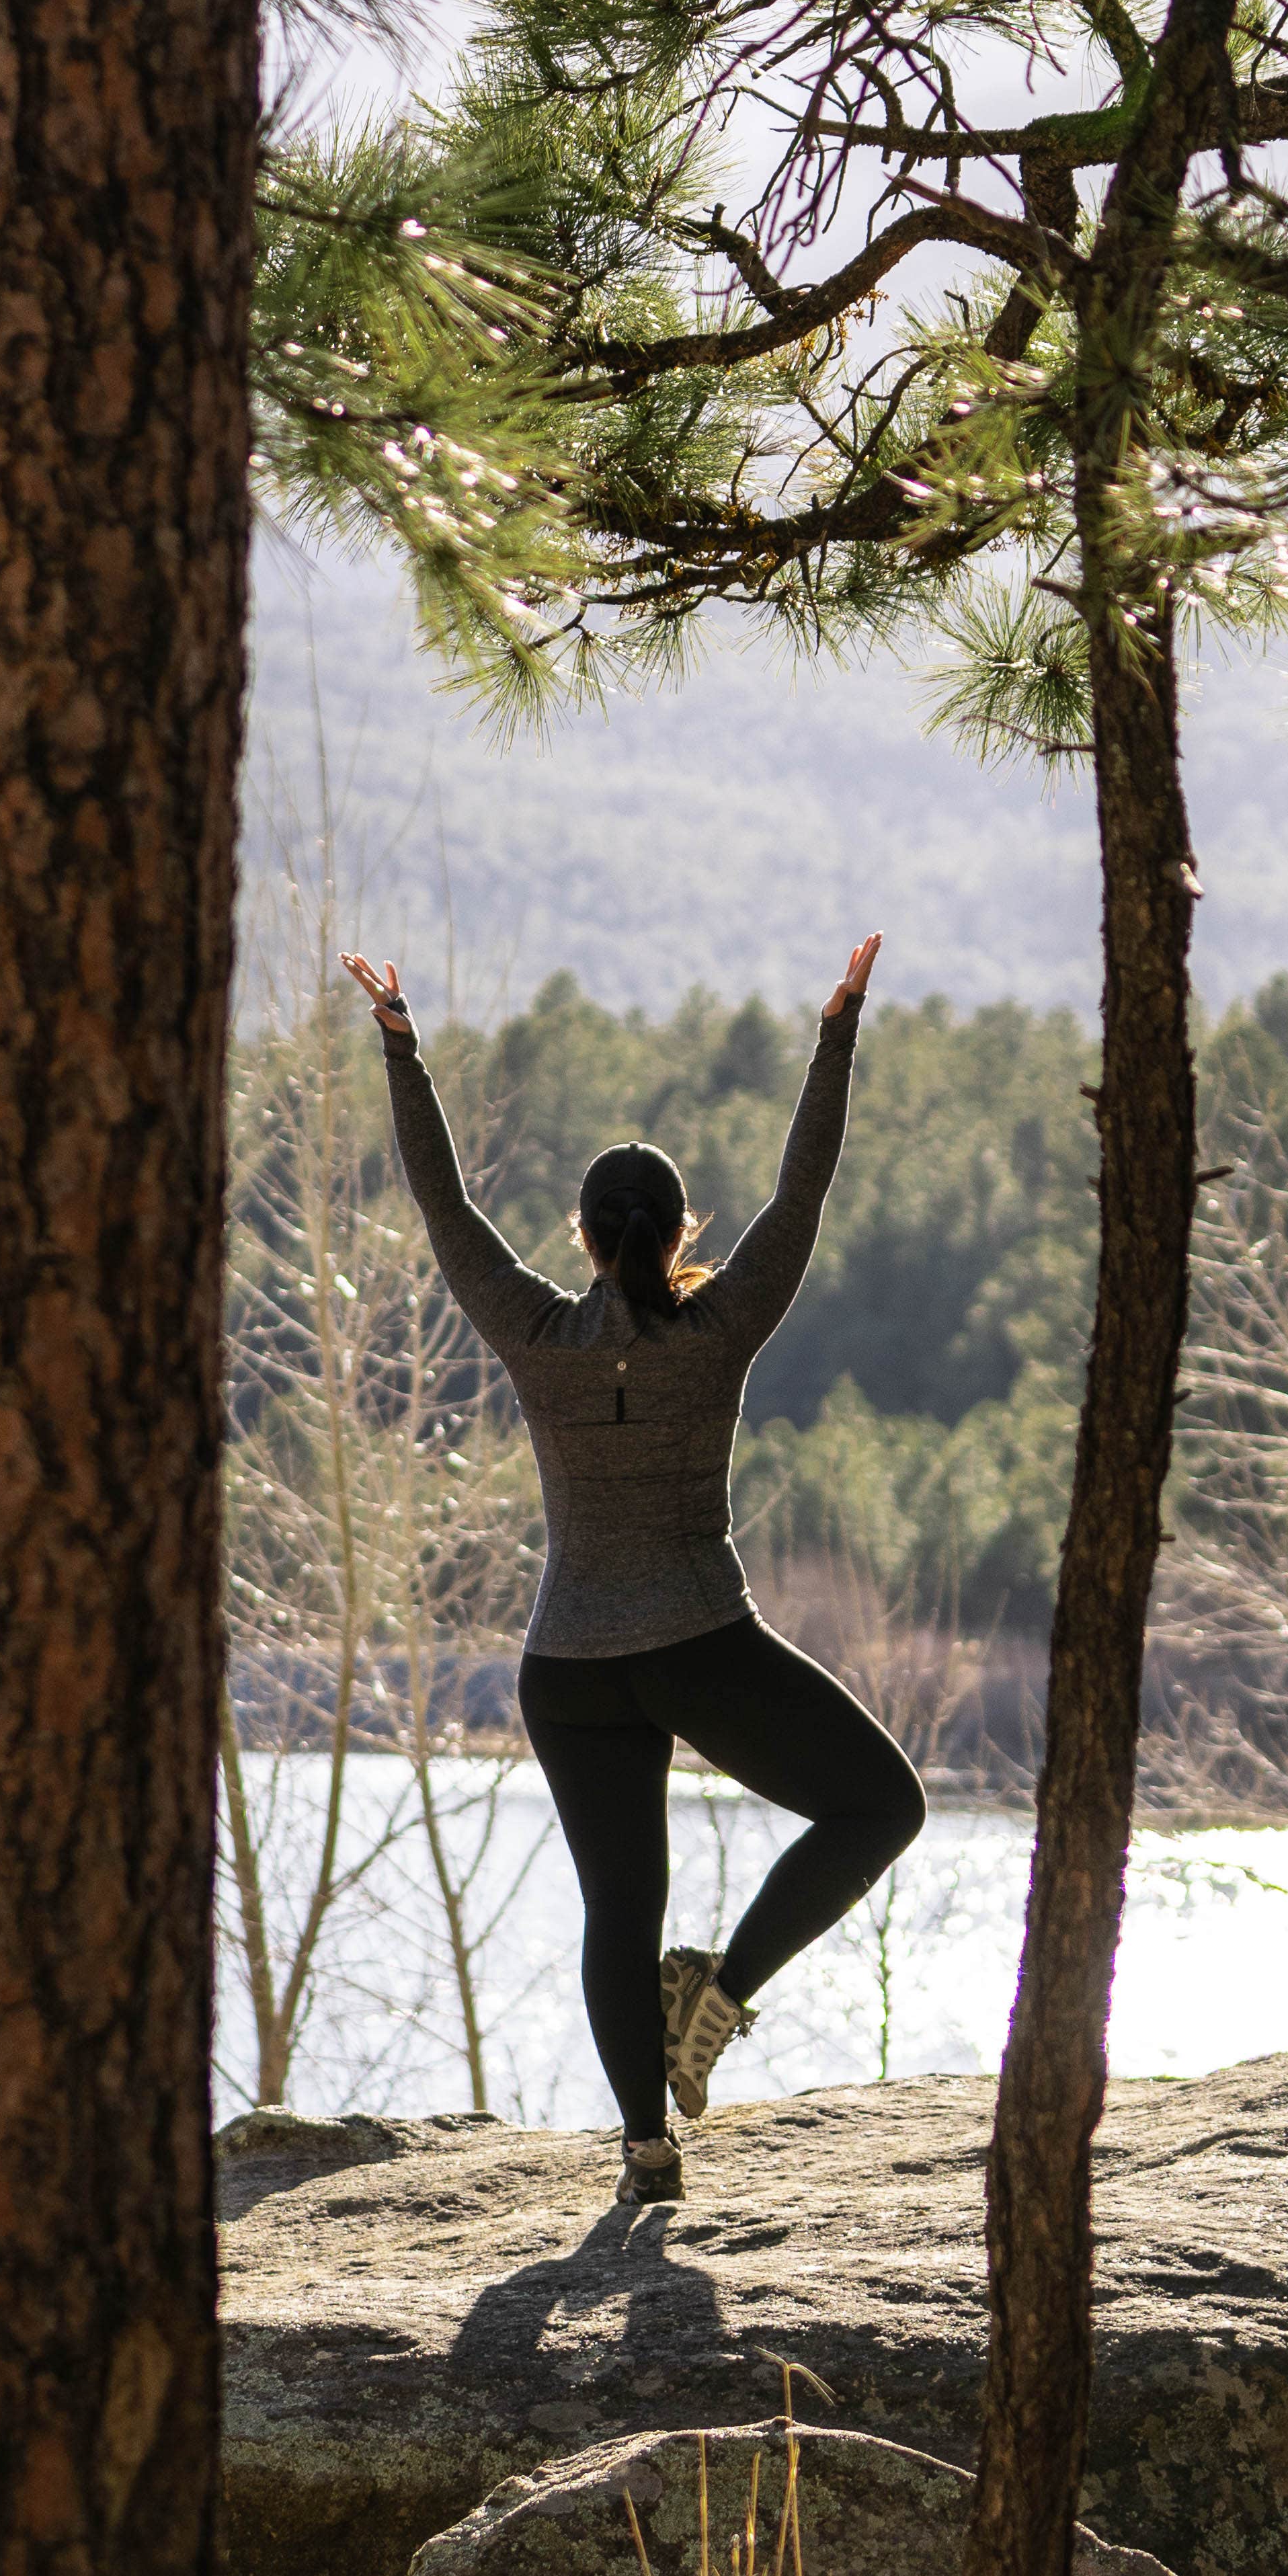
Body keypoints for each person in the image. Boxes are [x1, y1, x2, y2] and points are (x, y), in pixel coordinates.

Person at [346, 934, 926, 2208]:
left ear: (586, 1237)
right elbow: (803, 1194)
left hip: (566, 1670)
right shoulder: (718, 1330)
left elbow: (444, 1208)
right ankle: (719, 1994)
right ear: (677, 1232)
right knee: (882, 1807)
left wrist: (403, 1049)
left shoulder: (536, 1333)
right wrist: (835, 1034)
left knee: (618, 1906)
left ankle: (645, 2153)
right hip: (697, 1646)